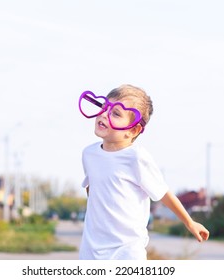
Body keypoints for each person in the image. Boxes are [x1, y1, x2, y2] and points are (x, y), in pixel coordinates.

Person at [78, 84, 209, 260]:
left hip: (127, 250)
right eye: (104, 107)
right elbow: (92, 189)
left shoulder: (137, 157)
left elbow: (163, 193)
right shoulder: (89, 154)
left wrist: (189, 222)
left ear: (133, 130)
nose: (103, 114)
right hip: (92, 248)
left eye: (116, 113)